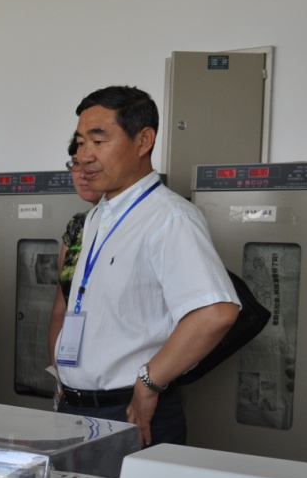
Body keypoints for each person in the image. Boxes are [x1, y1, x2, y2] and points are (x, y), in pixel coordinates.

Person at [54, 86, 240, 447]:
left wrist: (148, 382)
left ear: (143, 141)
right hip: (77, 407)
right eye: (80, 143)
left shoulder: (170, 218)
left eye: (98, 141)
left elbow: (216, 313)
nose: (85, 155)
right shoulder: (98, 216)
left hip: (127, 410)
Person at [46, 137, 102, 371]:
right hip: (73, 365)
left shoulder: (137, 223)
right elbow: (61, 308)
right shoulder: (77, 226)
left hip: (116, 369)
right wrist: (58, 372)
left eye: (90, 165)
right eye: (75, 164)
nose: (82, 174)